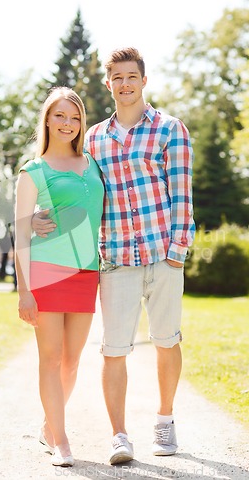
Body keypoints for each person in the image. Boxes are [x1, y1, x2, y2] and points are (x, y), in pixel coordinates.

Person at [32, 48, 195, 465]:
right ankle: (119, 435)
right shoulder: (95, 139)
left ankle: (165, 418)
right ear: (108, 84)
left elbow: (182, 194)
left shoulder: (170, 130)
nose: (124, 83)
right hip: (116, 258)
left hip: (163, 255)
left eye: (131, 76)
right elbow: (64, 176)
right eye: (117, 77)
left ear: (144, 80)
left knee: (166, 341)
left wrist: (177, 252)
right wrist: (36, 213)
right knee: (113, 350)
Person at [14, 87, 104, 467]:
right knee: (50, 359)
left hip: (87, 272)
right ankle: (61, 439)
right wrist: (24, 292)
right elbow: (20, 232)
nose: (68, 123)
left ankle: (49, 425)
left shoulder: (93, 163)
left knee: (72, 361)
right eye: (60, 116)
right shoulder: (33, 171)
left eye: (75, 117)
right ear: (47, 120)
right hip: (47, 272)